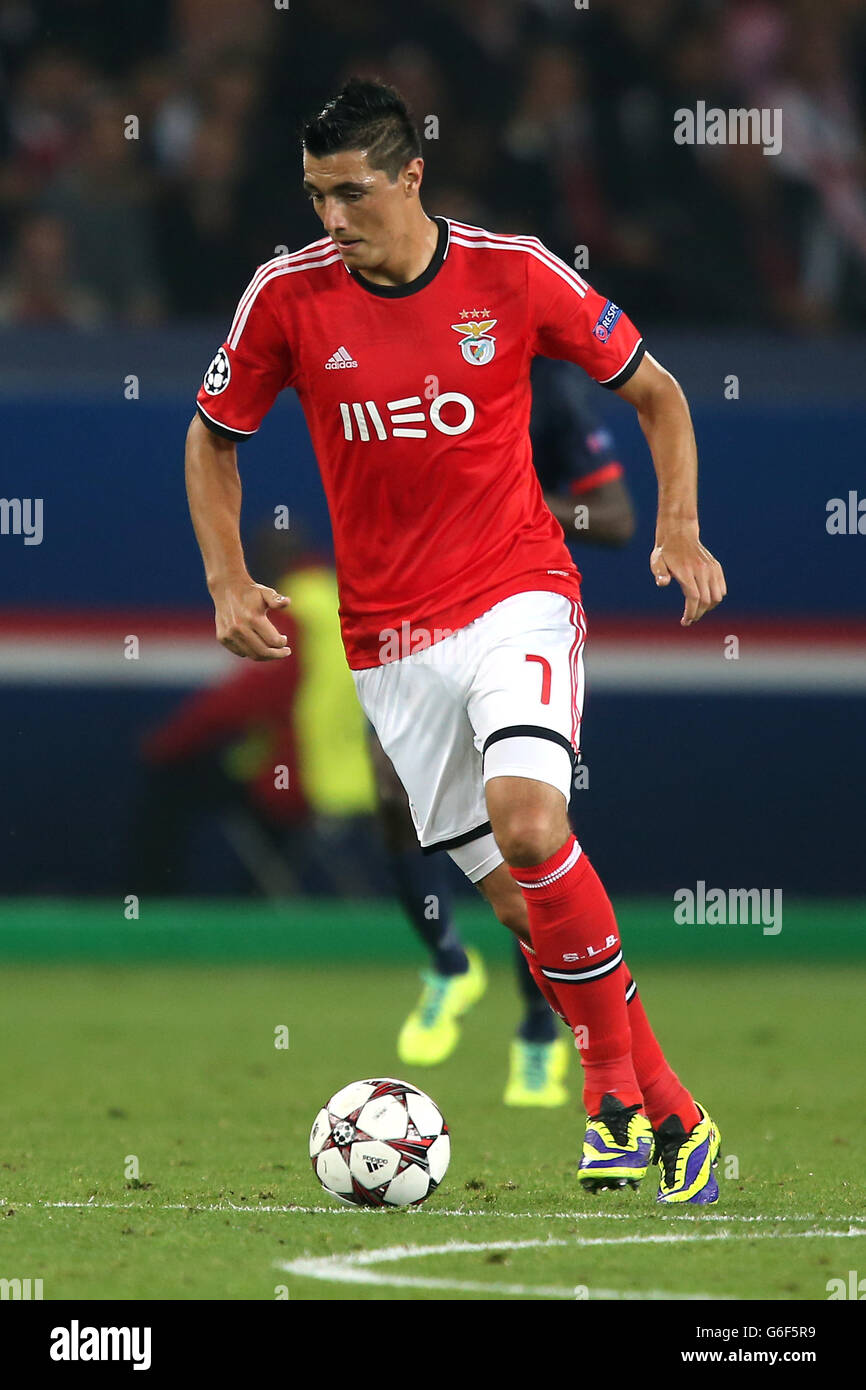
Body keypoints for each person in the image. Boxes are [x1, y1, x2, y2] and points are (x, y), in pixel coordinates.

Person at [185, 78, 727, 1204]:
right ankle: (675, 1112)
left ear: (411, 175)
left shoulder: (513, 271)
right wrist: (228, 578)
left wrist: (674, 527)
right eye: (314, 193)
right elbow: (211, 438)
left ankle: (609, 1105)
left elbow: (659, 393)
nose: (330, 217)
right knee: (527, 910)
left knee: (535, 826)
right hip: (390, 641)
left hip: (514, 594)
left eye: (351, 191)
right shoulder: (284, 296)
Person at [377, 355, 636, 1111]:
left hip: (512, 616)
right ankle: (450, 964)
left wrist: (510, 507)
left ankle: (539, 1029)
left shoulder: (546, 387)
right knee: (394, 798)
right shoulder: (398, 364)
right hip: (410, 613)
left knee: (524, 842)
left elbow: (615, 519)